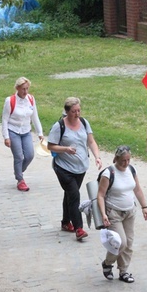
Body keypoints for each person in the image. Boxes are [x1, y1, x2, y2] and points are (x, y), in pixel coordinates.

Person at [48, 97, 102, 241]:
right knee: (74, 195)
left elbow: (91, 141)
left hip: (81, 167)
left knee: (70, 194)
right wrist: (65, 149)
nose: (77, 114)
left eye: (79, 110)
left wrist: (97, 156)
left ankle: (66, 222)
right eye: (73, 111)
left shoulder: (84, 122)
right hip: (63, 168)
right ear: (67, 112)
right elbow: (50, 146)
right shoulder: (59, 126)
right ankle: (79, 228)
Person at [96, 145, 147, 284]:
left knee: (129, 243)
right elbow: (100, 195)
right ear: (116, 159)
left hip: (130, 211)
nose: (126, 163)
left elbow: (137, 189)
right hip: (113, 213)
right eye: (123, 160)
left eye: (128, 160)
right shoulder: (109, 173)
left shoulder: (131, 170)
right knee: (120, 243)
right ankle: (108, 263)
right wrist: (103, 214)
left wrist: (144, 206)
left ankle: (123, 271)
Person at [1, 77, 43, 191]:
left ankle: (18, 170)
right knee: (19, 156)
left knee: (29, 155)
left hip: (26, 131)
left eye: (27, 89)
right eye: (23, 89)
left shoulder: (31, 99)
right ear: (17, 88)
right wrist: (6, 137)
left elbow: (35, 117)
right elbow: (4, 119)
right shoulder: (10, 101)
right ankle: (20, 180)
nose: (25, 92)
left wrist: (40, 132)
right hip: (13, 130)